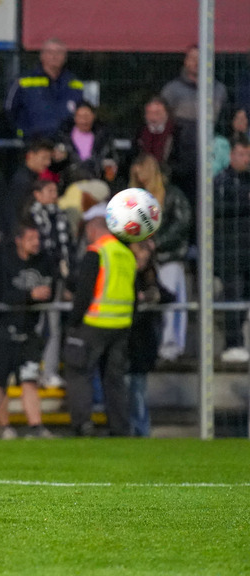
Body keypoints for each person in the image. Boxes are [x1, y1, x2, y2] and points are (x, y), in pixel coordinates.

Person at [63, 205, 137, 436]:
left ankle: (83, 425)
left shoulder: (97, 252)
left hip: (94, 324)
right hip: (121, 326)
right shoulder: (126, 254)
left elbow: (85, 291)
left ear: (94, 229)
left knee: (79, 373)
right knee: (115, 380)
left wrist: (73, 322)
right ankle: (120, 427)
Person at [0, 222, 56, 439]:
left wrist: (45, 293)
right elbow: (0, 296)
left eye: (38, 239)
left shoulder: (43, 262)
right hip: (2, 330)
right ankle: (5, 427)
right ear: (19, 240)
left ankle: (36, 426)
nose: (36, 243)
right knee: (0, 381)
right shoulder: (4, 261)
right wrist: (29, 296)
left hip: (29, 331)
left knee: (29, 378)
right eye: (31, 239)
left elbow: (51, 289)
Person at [128, 153, 190, 361]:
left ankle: (171, 345)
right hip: (144, 259)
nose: (141, 180)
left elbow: (182, 223)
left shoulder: (173, 194)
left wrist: (158, 242)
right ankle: (154, 344)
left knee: (171, 300)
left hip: (168, 255)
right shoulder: (136, 198)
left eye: (143, 175)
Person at [23, 179, 72, 388]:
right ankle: (28, 368)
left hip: (56, 278)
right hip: (34, 277)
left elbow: (66, 246)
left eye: (55, 190)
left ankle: (49, 371)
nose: (54, 194)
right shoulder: (28, 217)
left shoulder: (61, 216)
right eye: (50, 190)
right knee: (34, 325)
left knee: (53, 326)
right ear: (37, 194)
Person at [161, 45, 228, 197]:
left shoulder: (219, 90)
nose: (197, 63)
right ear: (185, 61)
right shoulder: (172, 90)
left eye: (201, 59)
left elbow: (225, 122)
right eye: (192, 58)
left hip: (211, 155)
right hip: (181, 156)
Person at [127, 240, 173, 437]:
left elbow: (169, 295)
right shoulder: (125, 273)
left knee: (137, 390)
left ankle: (140, 430)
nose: (142, 257)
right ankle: (131, 429)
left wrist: (151, 296)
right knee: (130, 390)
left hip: (141, 343)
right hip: (125, 340)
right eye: (139, 252)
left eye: (145, 252)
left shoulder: (149, 276)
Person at [214, 136, 250, 363]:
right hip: (230, 252)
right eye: (240, 154)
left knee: (244, 299)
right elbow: (216, 208)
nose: (245, 159)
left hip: (247, 252)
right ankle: (233, 344)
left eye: (247, 154)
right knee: (233, 298)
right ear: (231, 155)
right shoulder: (221, 181)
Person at [6, 38, 84, 140]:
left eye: (59, 52)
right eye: (50, 52)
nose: (54, 56)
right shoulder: (24, 81)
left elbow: (85, 113)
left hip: (66, 144)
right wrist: (22, 132)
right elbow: (9, 111)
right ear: (42, 56)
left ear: (65, 57)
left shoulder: (75, 83)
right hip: (33, 143)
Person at [52, 101, 119, 187]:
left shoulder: (103, 136)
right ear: (75, 118)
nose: (84, 120)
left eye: (87, 116)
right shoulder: (63, 137)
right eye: (80, 116)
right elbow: (55, 166)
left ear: (94, 116)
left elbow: (111, 159)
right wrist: (58, 159)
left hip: (97, 183)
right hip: (70, 184)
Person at [7, 139, 54, 233]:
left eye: (49, 159)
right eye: (44, 158)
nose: (48, 163)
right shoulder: (22, 181)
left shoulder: (33, 178)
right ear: (31, 155)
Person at [134, 97, 177, 169]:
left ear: (166, 115)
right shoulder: (139, 134)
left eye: (158, 113)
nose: (153, 118)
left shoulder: (176, 134)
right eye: (149, 113)